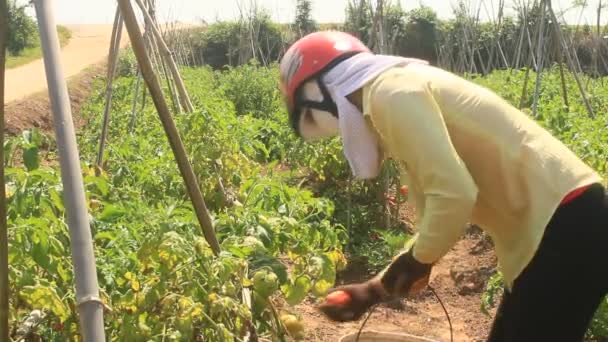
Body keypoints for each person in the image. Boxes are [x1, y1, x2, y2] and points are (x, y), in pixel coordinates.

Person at [278, 30, 608, 342]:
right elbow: (435, 208)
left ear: (319, 91)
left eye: (309, 116)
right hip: (552, 230)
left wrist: (418, 260)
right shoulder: (395, 91)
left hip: (566, 225)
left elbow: (454, 194)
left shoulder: (390, 93)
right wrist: (376, 289)